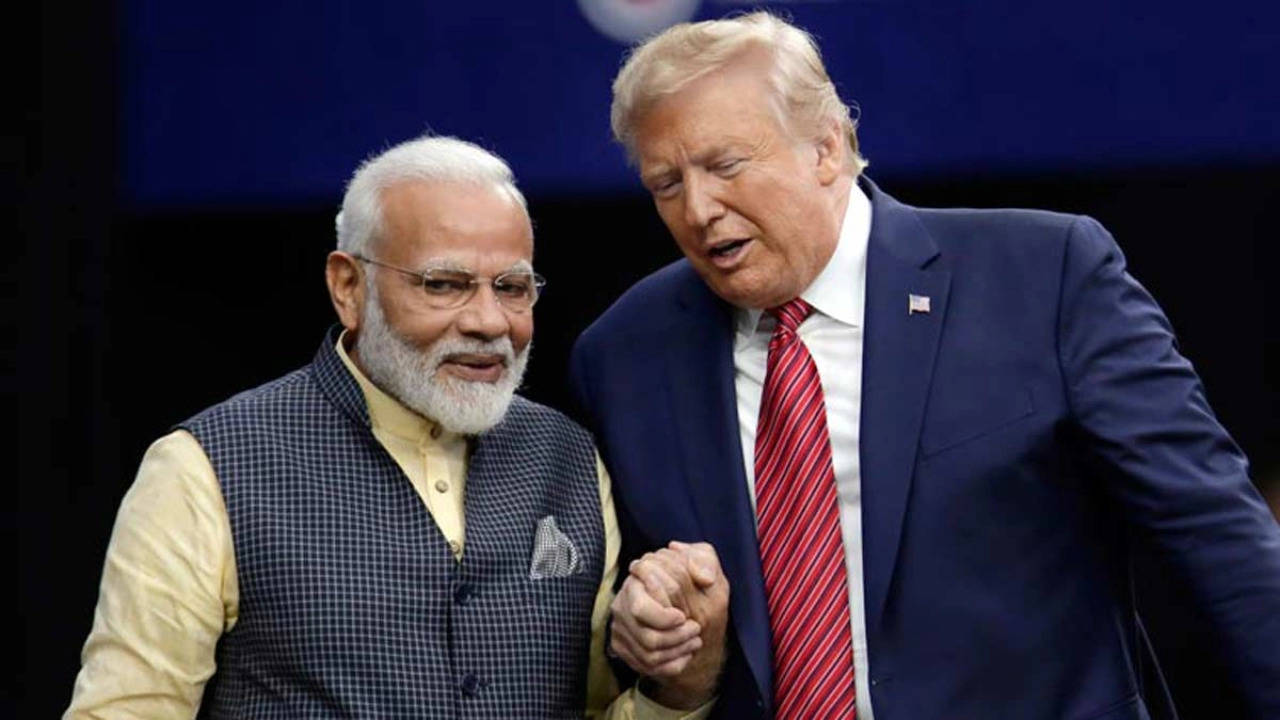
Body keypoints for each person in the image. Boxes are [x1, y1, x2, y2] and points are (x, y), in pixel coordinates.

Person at [570, 12, 1280, 719]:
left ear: (826, 147)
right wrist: (661, 642)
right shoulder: (627, 355)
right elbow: (618, 627)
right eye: (666, 184)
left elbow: (1216, 539)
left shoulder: (1043, 279)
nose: (698, 208)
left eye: (726, 166)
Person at [66, 135, 704, 718]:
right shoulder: (205, 467)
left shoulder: (567, 458)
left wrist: (682, 687)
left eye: (512, 287)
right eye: (445, 284)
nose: (489, 321)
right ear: (348, 286)